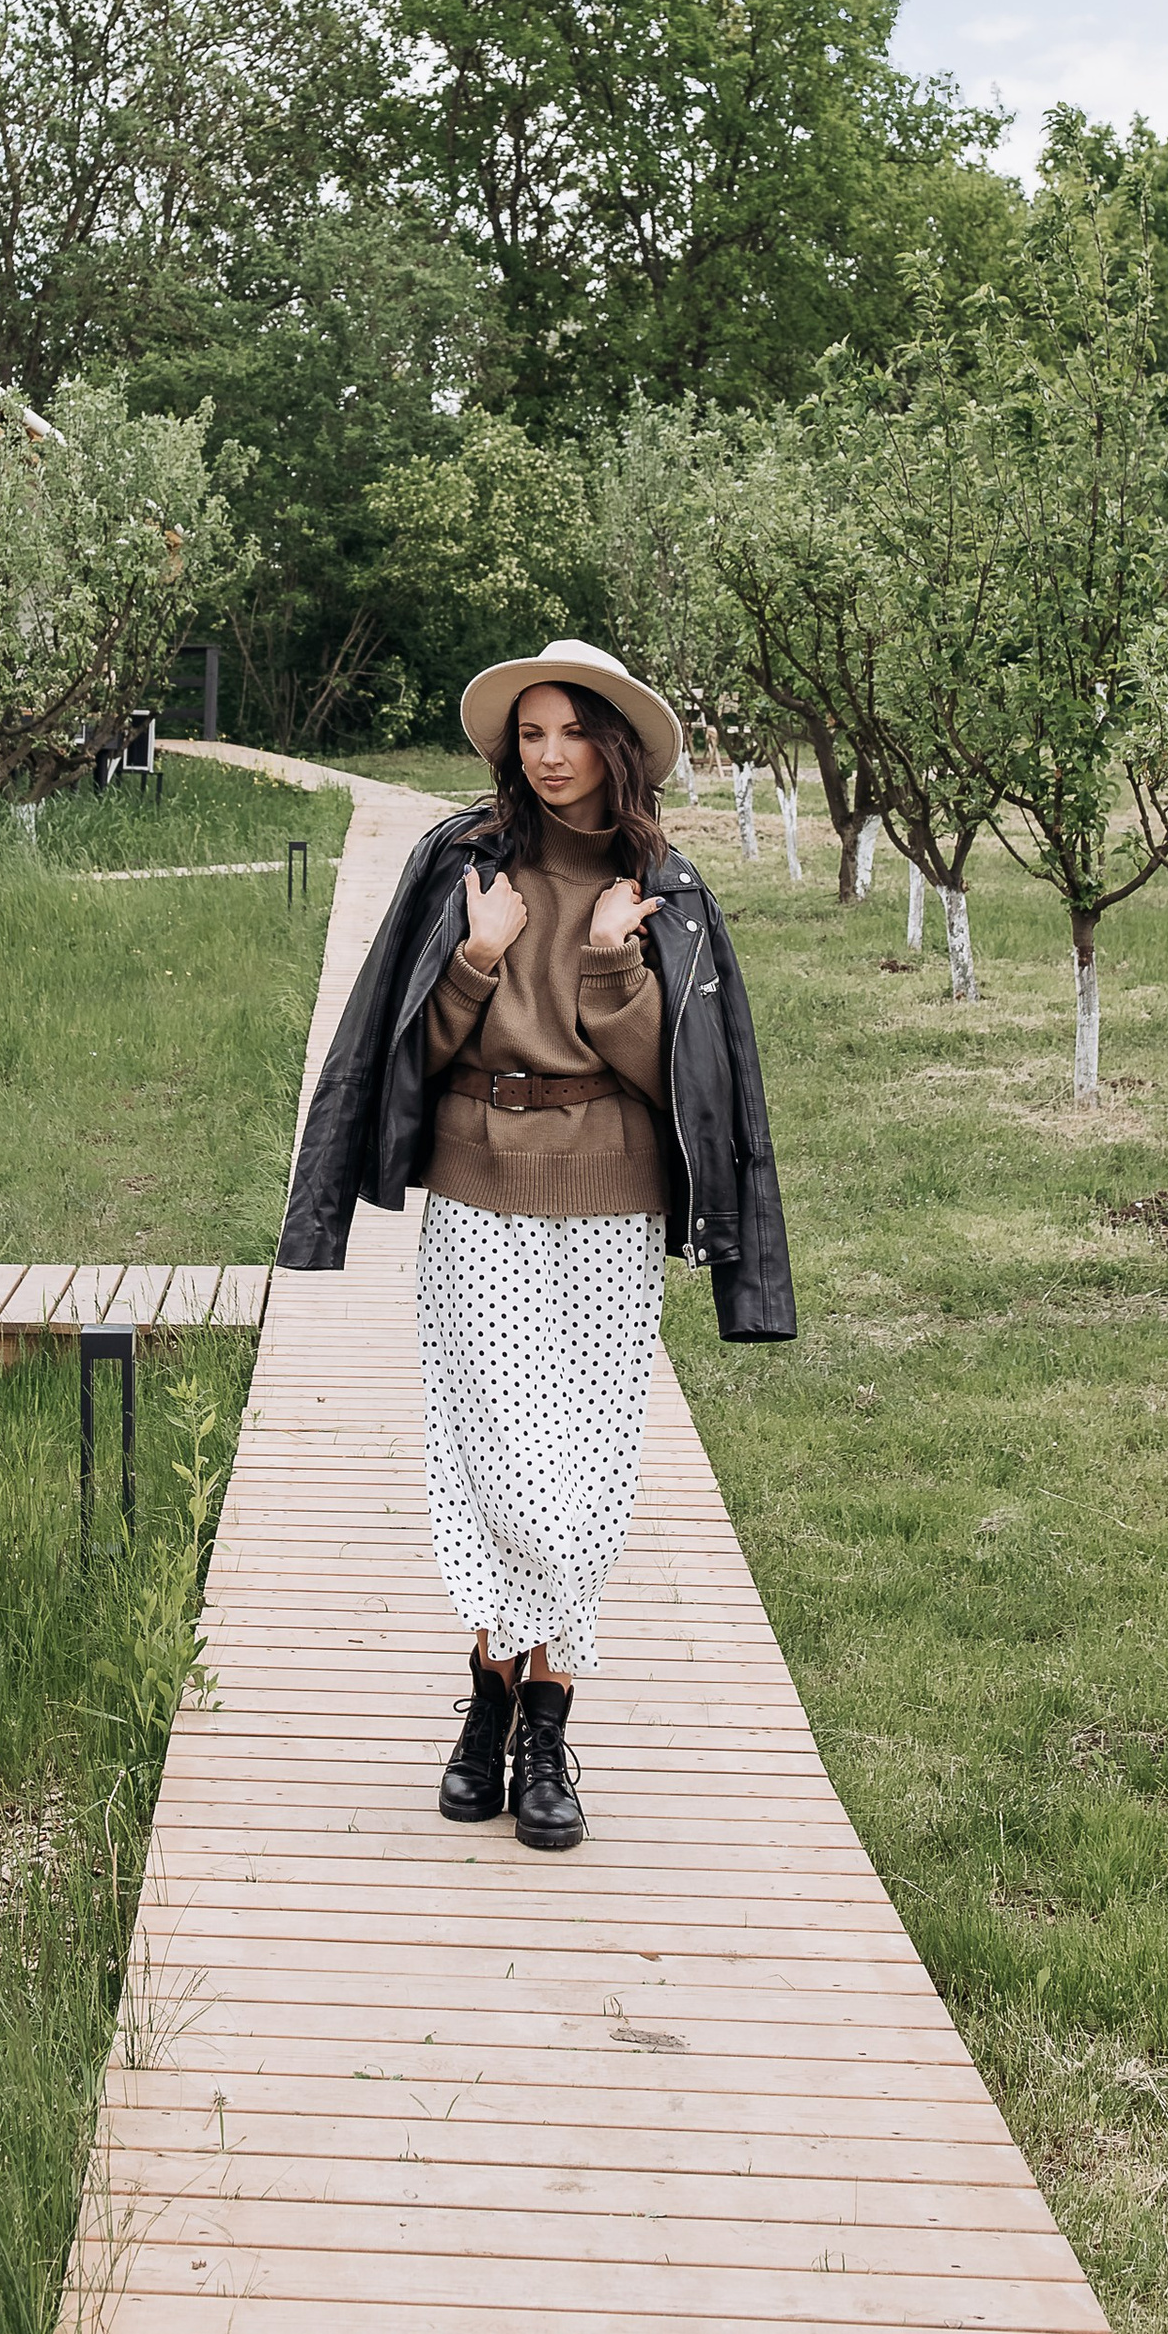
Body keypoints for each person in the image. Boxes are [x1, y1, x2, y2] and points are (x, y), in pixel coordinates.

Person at [280, 637, 795, 1851]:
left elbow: (674, 1076)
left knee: (587, 1464)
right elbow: (418, 1043)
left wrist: (616, 954)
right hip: (479, 1185)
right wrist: (475, 954)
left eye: (570, 731)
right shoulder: (465, 862)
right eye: (530, 733)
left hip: (610, 1199)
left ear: (613, 743)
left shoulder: (665, 889)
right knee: (501, 1459)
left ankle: (527, 1717)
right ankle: (503, 1699)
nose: (549, 755)